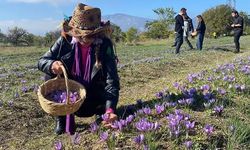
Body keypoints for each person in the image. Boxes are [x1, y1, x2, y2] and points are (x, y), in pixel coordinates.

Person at [37, 3, 120, 135]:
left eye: (90, 35)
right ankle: (62, 118)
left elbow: (112, 80)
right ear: (74, 31)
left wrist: (110, 110)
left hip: (94, 93)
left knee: (101, 105)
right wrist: (52, 66)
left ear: (97, 32)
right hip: (70, 92)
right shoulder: (64, 41)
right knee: (49, 75)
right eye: (80, 35)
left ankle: (102, 112)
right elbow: (42, 61)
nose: (85, 39)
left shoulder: (105, 45)